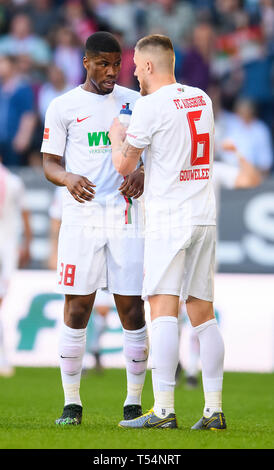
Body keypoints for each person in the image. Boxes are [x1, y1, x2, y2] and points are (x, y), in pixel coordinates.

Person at [110, 34, 226, 430]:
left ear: (148, 66)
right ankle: (213, 410)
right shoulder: (201, 98)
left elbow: (124, 167)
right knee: (203, 315)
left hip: (169, 219)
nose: (134, 73)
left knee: (161, 310)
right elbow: (176, 152)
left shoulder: (148, 106)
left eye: (136, 67)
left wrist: (116, 138)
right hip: (203, 216)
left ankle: (163, 410)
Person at [41, 31, 148, 426]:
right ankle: (72, 403)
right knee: (78, 307)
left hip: (124, 214)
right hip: (82, 216)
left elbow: (155, 156)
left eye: (116, 63)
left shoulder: (136, 103)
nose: (111, 71)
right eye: (102, 63)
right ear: (86, 62)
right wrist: (67, 178)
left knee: (132, 309)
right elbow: (49, 163)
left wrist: (142, 172)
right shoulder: (64, 106)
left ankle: (133, 403)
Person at [0, 159, 32, 376]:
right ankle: (3, 358)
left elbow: (24, 215)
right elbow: (26, 216)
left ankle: (3, 357)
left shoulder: (13, 182)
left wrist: (26, 244)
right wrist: (26, 244)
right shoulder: (13, 181)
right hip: (7, 249)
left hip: (7, 248)